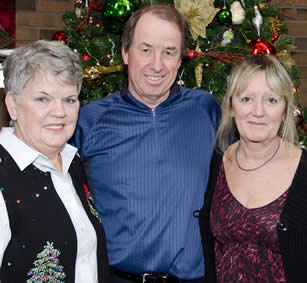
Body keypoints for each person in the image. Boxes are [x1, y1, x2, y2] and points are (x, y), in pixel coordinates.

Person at [72, 4, 221, 283]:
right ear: (126, 53)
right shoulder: (87, 122)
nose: (157, 64)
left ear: (181, 59)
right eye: (146, 49)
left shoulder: (208, 111)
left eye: (169, 52)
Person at [0, 40, 111, 282]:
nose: (59, 112)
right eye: (43, 99)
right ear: (12, 105)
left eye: (69, 100)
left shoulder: (72, 163)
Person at [198, 55, 307, 282]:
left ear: (285, 110)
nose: (258, 112)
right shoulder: (219, 161)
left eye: (271, 100)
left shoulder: (303, 172)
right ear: (232, 106)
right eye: (247, 99)